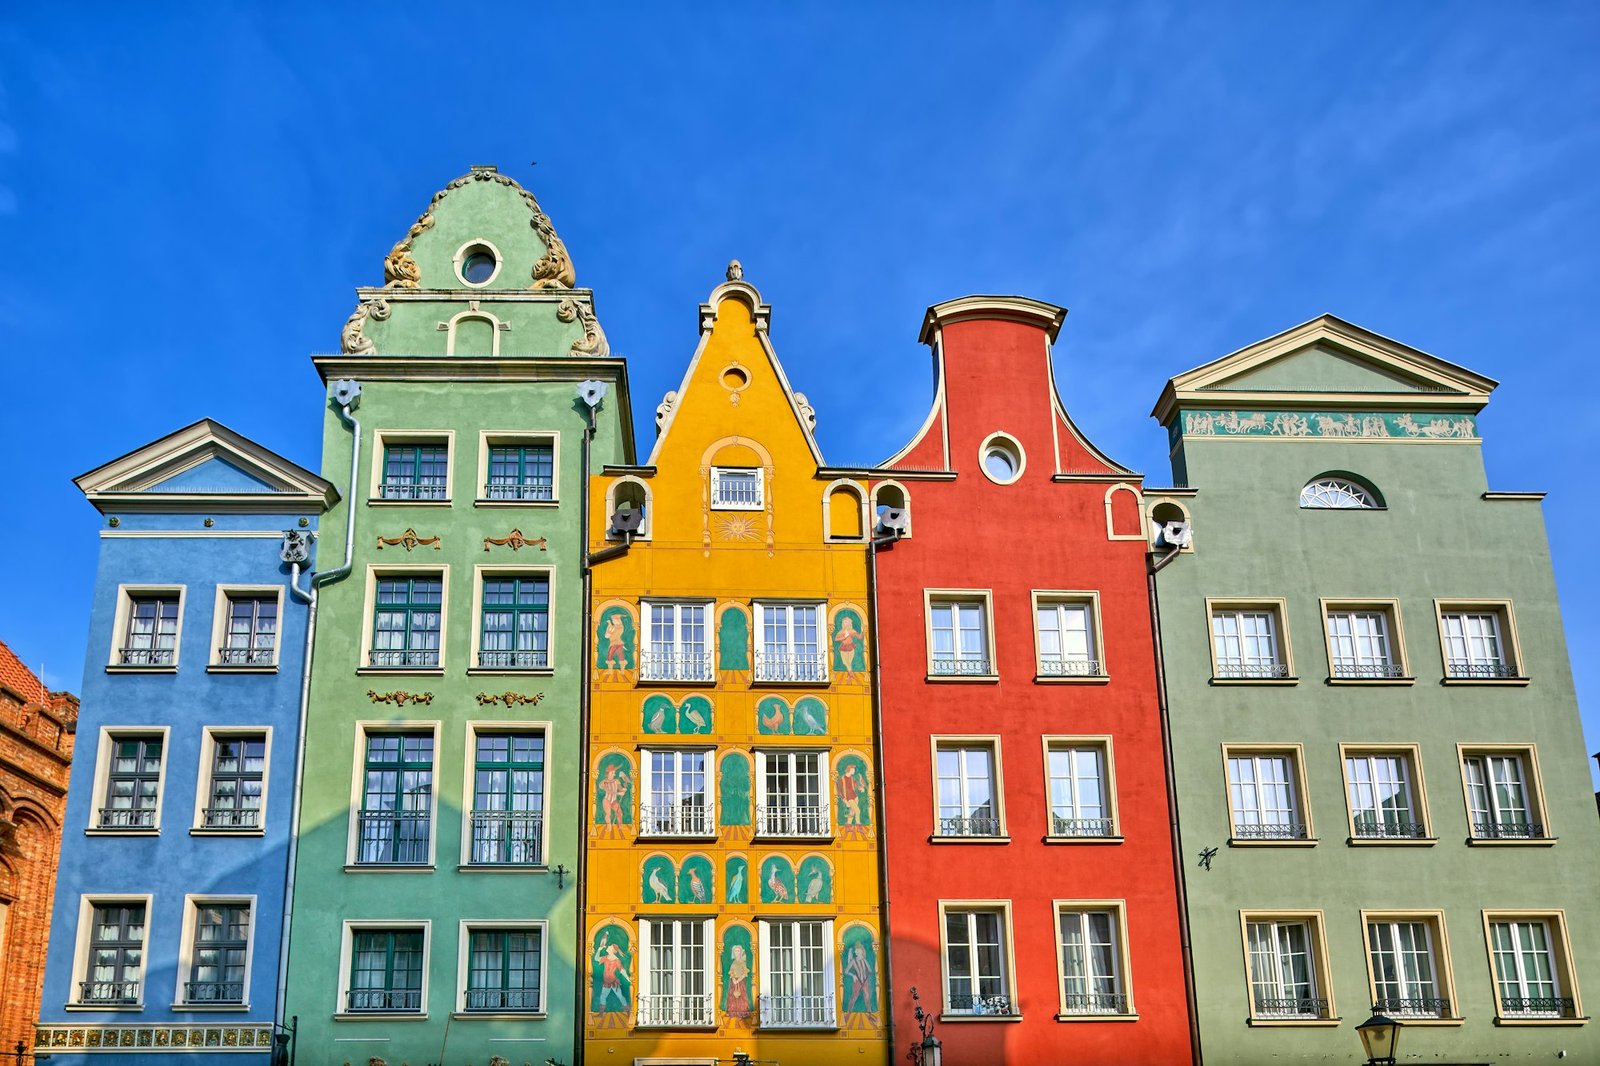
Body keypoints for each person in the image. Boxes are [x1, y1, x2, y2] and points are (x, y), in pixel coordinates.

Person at [594, 940, 630, 1011]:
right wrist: (599, 949)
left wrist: (628, 978)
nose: (607, 946)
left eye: (609, 946)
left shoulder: (617, 960)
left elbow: (622, 970)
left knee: (619, 996)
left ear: (613, 950)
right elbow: (596, 958)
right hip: (606, 982)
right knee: (603, 996)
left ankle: (627, 1008)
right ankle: (601, 1012)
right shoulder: (605, 957)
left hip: (613, 982)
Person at [725, 943, 750, 1019]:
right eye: (735, 951)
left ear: (741, 952)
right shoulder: (733, 963)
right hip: (733, 982)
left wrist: (738, 980)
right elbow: (731, 972)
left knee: (741, 997)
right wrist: (733, 980)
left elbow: (745, 973)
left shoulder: (743, 962)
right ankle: (733, 1012)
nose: (737, 952)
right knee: (732, 997)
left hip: (741, 981)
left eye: (738, 951)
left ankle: (742, 1013)